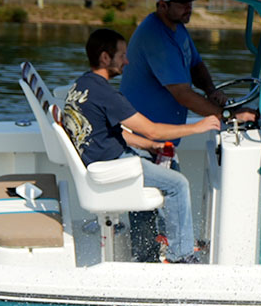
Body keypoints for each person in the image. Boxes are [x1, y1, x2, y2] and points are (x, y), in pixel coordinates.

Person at [63, 28, 221, 264]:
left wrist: (150, 145)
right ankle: (181, 256)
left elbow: (115, 133)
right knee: (177, 184)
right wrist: (198, 126)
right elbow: (152, 128)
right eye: (122, 55)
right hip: (111, 165)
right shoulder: (105, 94)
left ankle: (146, 253)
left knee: (156, 161)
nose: (127, 61)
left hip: (102, 158)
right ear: (105, 58)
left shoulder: (82, 84)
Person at [120, 0, 255, 128]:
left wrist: (211, 91)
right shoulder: (156, 37)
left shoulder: (177, 26)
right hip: (142, 135)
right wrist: (229, 115)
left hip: (161, 134)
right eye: (182, 4)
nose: (188, 8)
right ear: (162, 5)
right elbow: (182, 94)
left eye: (190, 3)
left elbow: (195, 65)